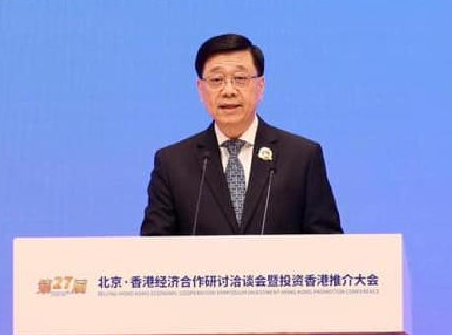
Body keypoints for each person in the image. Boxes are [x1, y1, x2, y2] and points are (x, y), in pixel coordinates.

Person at [140, 33, 343, 236]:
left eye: (240, 78)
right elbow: (153, 248)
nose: (228, 90)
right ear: (201, 89)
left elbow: (329, 244)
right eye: (217, 80)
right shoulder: (172, 164)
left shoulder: (301, 158)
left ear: (260, 87)